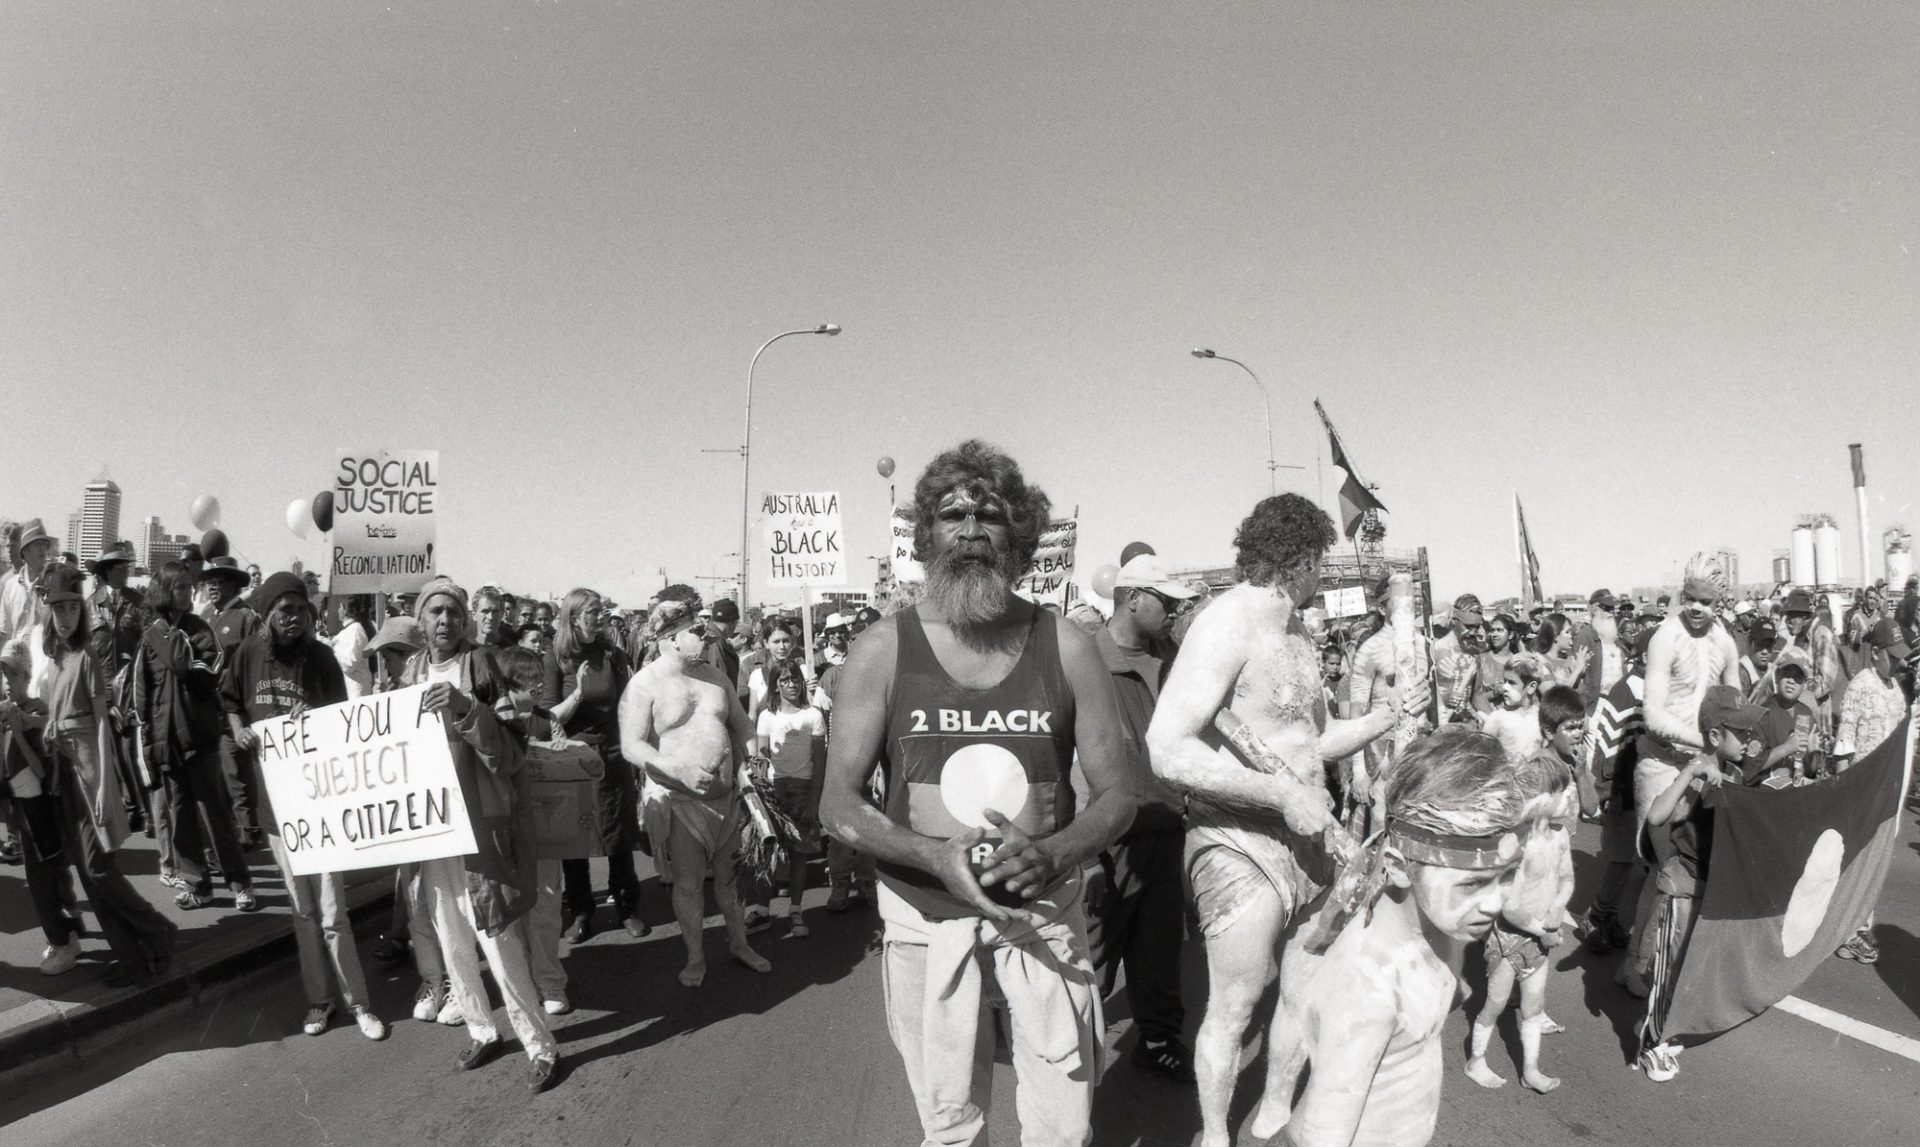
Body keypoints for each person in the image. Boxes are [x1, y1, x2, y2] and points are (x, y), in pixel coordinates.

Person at [820, 440, 1139, 1147]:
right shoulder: (882, 648)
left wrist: (1054, 853)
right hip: (924, 922)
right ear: (925, 534)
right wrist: (931, 856)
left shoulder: (1066, 643)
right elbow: (836, 803)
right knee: (951, 1128)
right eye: (951, 514)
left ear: (1019, 537)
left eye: (990, 515)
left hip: (1046, 920)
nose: (970, 529)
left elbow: (1120, 793)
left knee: (1063, 1129)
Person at [1145, 494, 1410, 1147]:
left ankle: (1273, 1108)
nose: (1324, 573)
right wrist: (1276, 794)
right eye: (1319, 559)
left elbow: (1307, 742)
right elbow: (1165, 746)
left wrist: (1382, 718)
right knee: (1235, 1005)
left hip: (1308, 835)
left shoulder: (1297, 632)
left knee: (1302, 988)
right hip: (1237, 838)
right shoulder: (1224, 624)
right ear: (1299, 558)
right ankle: (1212, 1133)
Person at [1252, 729, 1528, 1147]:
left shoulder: (1439, 932)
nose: (1495, 903)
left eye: (1505, 878)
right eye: (1473, 885)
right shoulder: (1369, 992)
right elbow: (1317, 1137)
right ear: (1399, 868)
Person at [401, 576, 559, 1090]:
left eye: (452, 612)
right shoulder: (408, 670)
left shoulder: (482, 666)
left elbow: (512, 747)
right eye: (434, 612)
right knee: (451, 936)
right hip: (432, 828)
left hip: (480, 826)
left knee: (498, 937)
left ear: (465, 619)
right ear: (421, 620)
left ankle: (540, 1047)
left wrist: (466, 709)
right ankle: (481, 1029)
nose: (444, 621)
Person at [221, 571, 386, 1039]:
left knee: (333, 912)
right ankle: (320, 1001)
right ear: (268, 615)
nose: (293, 618)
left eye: (300, 609)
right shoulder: (248, 655)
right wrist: (239, 731)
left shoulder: (322, 659)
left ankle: (360, 1004)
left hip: (319, 808)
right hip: (277, 813)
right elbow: (230, 701)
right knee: (304, 913)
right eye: (284, 610)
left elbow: (343, 724)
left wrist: (315, 719)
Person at [37, 565, 177, 987]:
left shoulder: (87, 656)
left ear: (81, 610)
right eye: (57, 608)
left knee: (98, 869)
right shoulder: (58, 659)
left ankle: (157, 929)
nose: (64, 616)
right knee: (87, 873)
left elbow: (100, 722)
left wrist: (103, 785)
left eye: (70, 608)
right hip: (64, 772)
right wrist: (50, 726)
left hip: (88, 773)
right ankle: (132, 957)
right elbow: (63, 712)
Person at [1087, 551, 1198, 1081]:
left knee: (1157, 952)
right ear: (1132, 599)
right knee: (1090, 955)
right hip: (1105, 840)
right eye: (1165, 601)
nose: (1174, 610)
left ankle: (1156, 1040)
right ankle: (1069, 1057)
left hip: (1165, 831)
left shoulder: (1173, 659)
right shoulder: (1083, 661)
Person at [620, 602, 770, 987]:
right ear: (670, 639)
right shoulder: (644, 684)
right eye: (696, 631)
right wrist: (677, 770)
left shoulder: (716, 677)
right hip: (679, 802)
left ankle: (739, 942)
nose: (705, 636)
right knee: (687, 883)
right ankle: (695, 957)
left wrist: (755, 763)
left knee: (731, 879)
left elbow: (743, 726)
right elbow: (632, 746)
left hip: (727, 799)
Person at [1635, 684, 1760, 1082]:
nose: (1750, 739)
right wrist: (1690, 772)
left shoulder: (1736, 773)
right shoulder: (1696, 773)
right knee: (1668, 969)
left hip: (1711, 888)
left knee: (1690, 967)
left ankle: (1665, 1027)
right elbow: (1656, 818)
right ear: (1714, 737)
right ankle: (1650, 1045)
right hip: (1682, 887)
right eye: (1741, 732)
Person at [1465, 688, 1582, 1094]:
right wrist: (1542, 928)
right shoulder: (1519, 845)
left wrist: (1558, 910)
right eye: (1561, 793)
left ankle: (1531, 1067)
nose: (1569, 799)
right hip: (1511, 938)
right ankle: (1476, 1059)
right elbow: (1511, 908)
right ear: (1538, 801)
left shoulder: (1558, 839)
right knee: (1495, 1003)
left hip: (1540, 938)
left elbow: (1566, 879)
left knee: (1532, 1005)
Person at [133, 561, 256, 912]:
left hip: (199, 740)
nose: (189, 593)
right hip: (165, 741)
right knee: (180, 819)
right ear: (164, 592)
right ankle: (198, 886)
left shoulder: (198, 629)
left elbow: (204, 672)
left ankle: (240, 883)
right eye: (181, 588)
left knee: (216, 814)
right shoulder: (149, 636)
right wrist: (147, 738)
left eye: (190, 587)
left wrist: (169, 640)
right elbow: (143, 692)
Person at [541, 587, 646, 943]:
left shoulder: (613, 654)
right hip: (572, 759)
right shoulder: (555, 656)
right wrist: (579, 694)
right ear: (573, 618)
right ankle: (582, 911)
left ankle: (627, 909)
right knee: (576, 841)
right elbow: (548, 716)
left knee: (618, 835)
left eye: (601, 611)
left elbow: (629, 705)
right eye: (592, 612)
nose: (600, 617)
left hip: (613, 755)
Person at [2, 637, 86, 975]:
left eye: (13, 675)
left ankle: (63, 944)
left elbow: (40, 768)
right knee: (52, 875)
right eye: (4, 675)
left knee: (42, 880)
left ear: (26, 676)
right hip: (20, 808)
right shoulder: (8, 710)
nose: (7, 682)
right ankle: (71, 933)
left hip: (38, 808)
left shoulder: (36, 709)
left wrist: (19, 727)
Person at [752, 658, 827, 938]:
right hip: (774, 792)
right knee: (766, 855)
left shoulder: (813, 715)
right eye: (784, 680)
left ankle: (796, 910)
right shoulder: (767, 717)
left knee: (798, 857)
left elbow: (820, 764)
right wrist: (758, 779)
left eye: (795, 679)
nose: (791, 684)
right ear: (775, 686)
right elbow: (761, 757)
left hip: (804, 790)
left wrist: (813, 801)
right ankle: (761, 910)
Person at [1478, 652, 1546, 761]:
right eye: (1504, 681)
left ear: (1531, 687)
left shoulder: (1542, 718)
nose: (1505, 687)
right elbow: (1485, 757)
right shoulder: (1497, 719)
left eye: (1511, 683)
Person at [0, 518, 53, 650]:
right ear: (24, 550)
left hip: (43, 662)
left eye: (45, 544)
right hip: (15, 662)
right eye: (37, 544)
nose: (42, 549)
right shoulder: (11, 585)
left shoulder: (53, 583)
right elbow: (4, 631)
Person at [1430, 596, 1485, 723]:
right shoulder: (1436, 651)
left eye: (1476, 627)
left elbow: (1477, 695)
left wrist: (1496, 718)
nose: (1472, 632)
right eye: (1468, 626)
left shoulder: (1475, 653)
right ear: (1455, 620)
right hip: (1441, 725)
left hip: (1466, 724)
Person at [330, 594, 376, 698]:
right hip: (346, 689)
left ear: (345, 610)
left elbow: (350, 663)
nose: (338, 611)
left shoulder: (356, 630)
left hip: (356, 690)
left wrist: (332, 652)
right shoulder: (346, 631)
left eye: (340, 607)